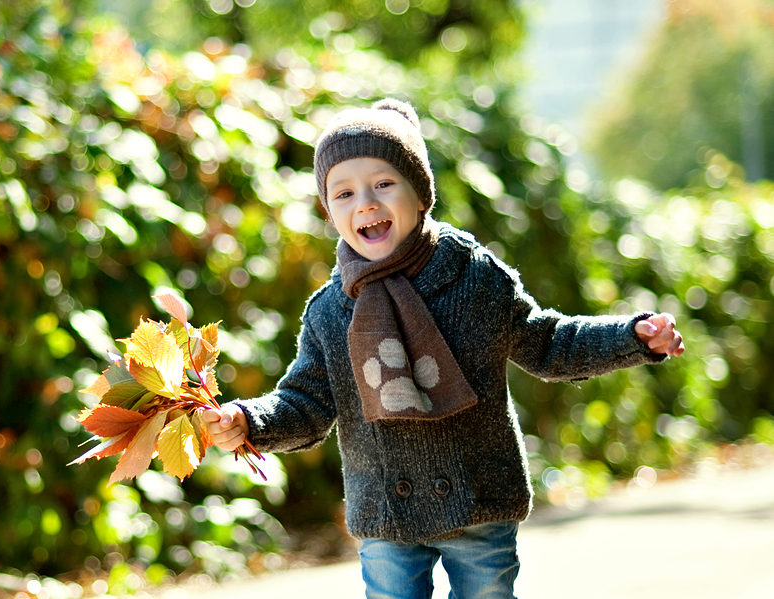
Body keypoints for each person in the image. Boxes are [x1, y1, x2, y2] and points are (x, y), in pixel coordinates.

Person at [201, 99, 685, 599]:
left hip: (477, 493)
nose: (365, 202)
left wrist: (631, 338)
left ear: (420, 193)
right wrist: (248, 421)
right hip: (388, 507)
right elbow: (306, 402)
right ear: (330, 213)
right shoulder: (331, 311)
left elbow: (548, 343)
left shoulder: (473, 277)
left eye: (383, 183)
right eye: (343, 193)